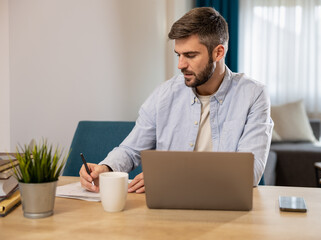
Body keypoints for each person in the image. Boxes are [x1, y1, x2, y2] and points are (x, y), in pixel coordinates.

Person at [79, 7, 273, 193]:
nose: (180, 65)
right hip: (169, 206)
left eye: (190, 55)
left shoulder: (253, 95)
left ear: (218, 52)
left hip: (227, 206)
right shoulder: (164, 94)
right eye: (178, 55)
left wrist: (172, 176)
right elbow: (130, 150)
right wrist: (106, 168)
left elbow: (250, 172)